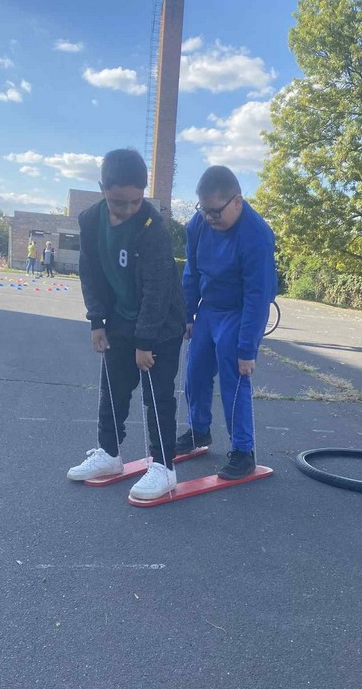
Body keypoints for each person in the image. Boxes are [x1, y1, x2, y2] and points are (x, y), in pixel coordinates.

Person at [67, 148, 185, 501]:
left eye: (136, 200)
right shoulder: (91, 221)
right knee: (113, 390)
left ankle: (164, 467)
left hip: (160, 326)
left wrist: (145, 342)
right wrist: (96, 320)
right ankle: (109, 454)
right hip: (120, 319)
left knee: (157, 397)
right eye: (119, 202)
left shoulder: (152, 228)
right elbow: (90, 272)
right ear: (102, 188)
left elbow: (157, 289)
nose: (129, 209)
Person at [176, 166, 277, 479]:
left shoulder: (257, 236)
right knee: (195, 373)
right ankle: (198, 432)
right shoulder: (198, 224)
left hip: (239, 311)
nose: (209, 218)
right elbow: (192, 271)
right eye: (203, 210)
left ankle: (243, 452)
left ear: (237, 201)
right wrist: (188, 314)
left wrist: (247, 349)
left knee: (234, 379)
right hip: (209, 309)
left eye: (215, 212)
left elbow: (257, 297)